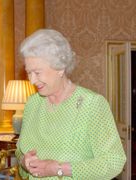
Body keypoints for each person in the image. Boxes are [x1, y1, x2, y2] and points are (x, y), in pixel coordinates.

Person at [16, 29, 126, 179]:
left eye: (37, 72)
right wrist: (24, 161)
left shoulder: (91, 104)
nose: (32, 81)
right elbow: (20, 151)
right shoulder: (32, 104)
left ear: (60, 68)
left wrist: (59, 169)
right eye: (29, 72)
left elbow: (114, 162)